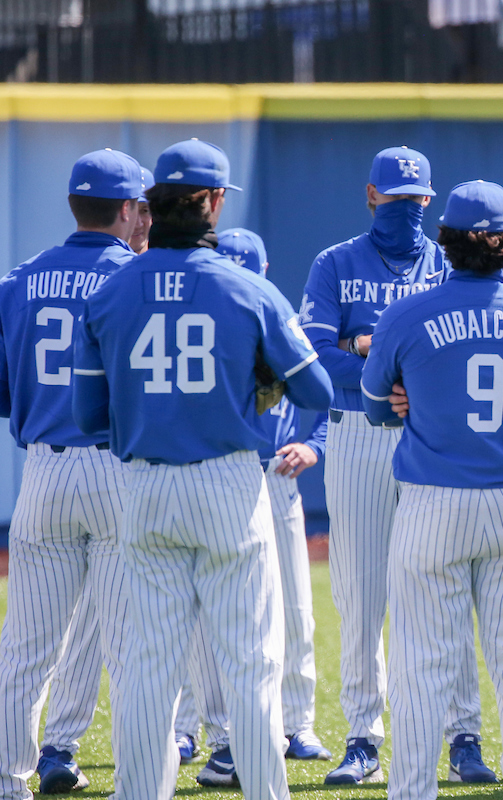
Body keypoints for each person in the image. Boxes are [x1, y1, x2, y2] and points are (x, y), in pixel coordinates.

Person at [71, 138, 334, 800]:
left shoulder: (110, 291)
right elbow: (319, 393)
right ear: (214, 203)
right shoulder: (248, 287)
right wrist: (259, 383)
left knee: (152, 667)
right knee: (249, 660)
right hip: (227, 482)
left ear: (153, 205)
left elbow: (85, 417)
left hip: (146, 486)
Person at [361, 179, 503, 800]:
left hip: (432, 503)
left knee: (423, 667)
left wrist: (412, 398)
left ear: (445, 241)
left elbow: (374, 406)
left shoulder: (405, 313)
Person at [299, 146, 495, 785]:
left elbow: (473, 340)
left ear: (430, 202)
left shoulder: (448, 264)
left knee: (448, 586)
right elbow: (317, 356)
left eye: (416, 200)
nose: (404, 209)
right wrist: (384, 380)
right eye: (394, 197)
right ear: (370, 195)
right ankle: (363, 733)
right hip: (357, 434)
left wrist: (379, 355)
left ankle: (462, 733)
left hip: (431, 431)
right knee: (358, 589)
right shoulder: (335, 263)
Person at [0, 149, 143, 799]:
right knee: (133, 642)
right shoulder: (136, 279)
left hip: (44, 471)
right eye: (141, 205)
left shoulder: (19, 280)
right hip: (117, 468)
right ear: (125, 209)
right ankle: (138, 781)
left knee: (26, 646)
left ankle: (12, 778)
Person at [180, 228, 333, 788]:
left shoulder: (276, 317)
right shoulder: (228, 318)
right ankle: (207, 729)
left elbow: (325, 398)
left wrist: (314, 445)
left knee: (293, 605)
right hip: (225, 472)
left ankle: (297, 724)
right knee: (205, 606)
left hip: (275, 475)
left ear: (264, 268)